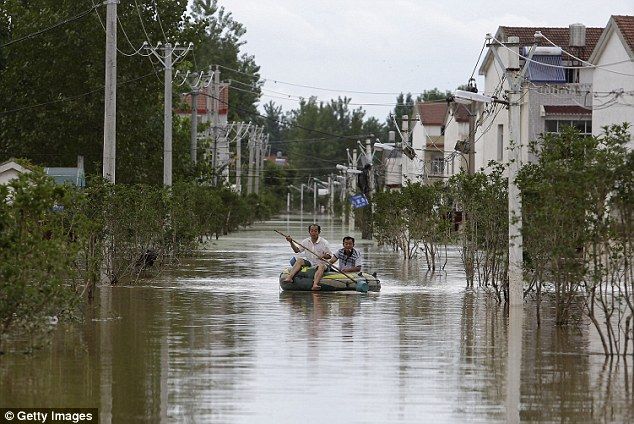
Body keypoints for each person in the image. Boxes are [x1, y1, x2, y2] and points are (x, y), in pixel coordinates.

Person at [283, 224, 332, 290]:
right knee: (300, 260)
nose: (313, 233)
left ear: (319, 232)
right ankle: (289, 278)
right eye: (311, 231)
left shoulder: (324, 242)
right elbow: (297, 250)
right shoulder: (305, 241)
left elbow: (329, 256)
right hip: (311, 263)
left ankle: (315, 284)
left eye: (315, 231)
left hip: (322, 264)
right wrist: (291, 242)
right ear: (309, 232)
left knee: (321, 265)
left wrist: (323, 256)